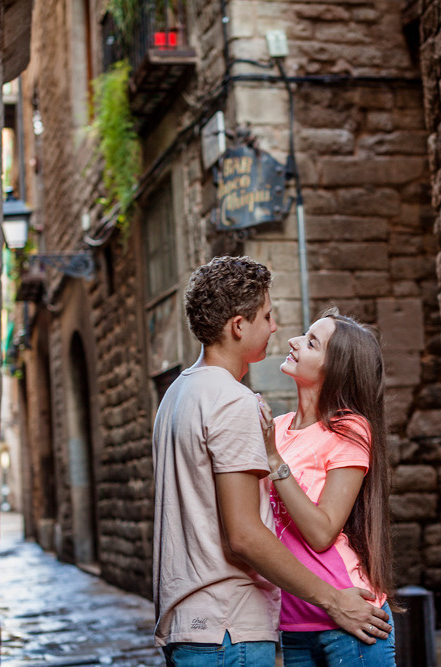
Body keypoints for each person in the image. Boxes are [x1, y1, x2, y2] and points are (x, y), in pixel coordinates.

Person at [152, 257, 391, 666]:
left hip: (206, 622)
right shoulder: (238, 404)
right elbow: (245, 534)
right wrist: (332, 601)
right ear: (238, 326)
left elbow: (314, 530)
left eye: (312, 341)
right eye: (266, 315)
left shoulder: (176, 395)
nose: (279, 329)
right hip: (231, 625)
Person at [258, 308, 396, 666]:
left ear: (332, 368)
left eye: (311, 342)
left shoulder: (349, 429)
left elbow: (321, 533)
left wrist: (274, 460)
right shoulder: (278, 426)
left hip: (350, 620)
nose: (293, 341)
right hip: (293, 622)